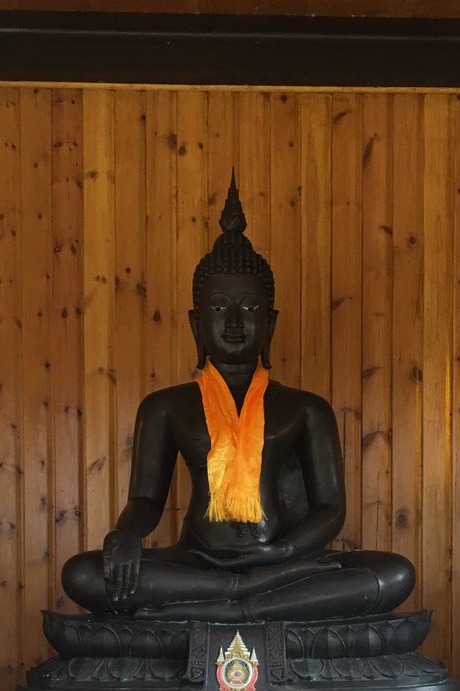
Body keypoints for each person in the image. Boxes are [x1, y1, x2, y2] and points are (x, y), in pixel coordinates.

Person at [62, 175, 415, 622]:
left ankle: (225, 602)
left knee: (395, 573)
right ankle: (244, 598)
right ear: (196, 324)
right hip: (197, 561)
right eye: (218, 307)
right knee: (83, 574)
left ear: (271, 322)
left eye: (249, 309)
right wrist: (126, 534)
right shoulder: (165, 407)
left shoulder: (306, 409)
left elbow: (330, 509)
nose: (233, 322)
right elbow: (146, 502)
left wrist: (280, 552)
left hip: (283, 563)